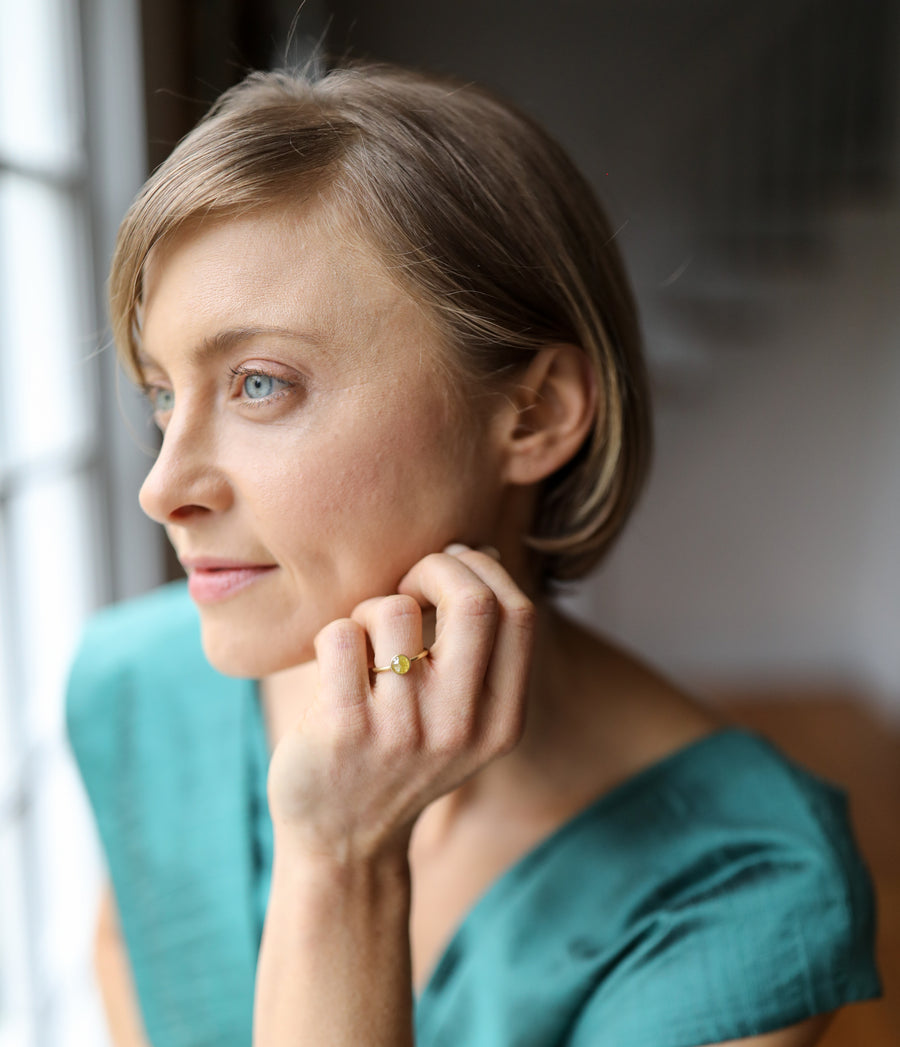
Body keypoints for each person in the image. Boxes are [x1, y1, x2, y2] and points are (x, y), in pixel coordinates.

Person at [66, 62, 880, 1047]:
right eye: (163, 393)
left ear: (534, 412)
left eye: (261, 384)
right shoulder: (139, 690)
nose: (163, 487)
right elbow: (132, 967)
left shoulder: (740, 888)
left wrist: (343, 860)